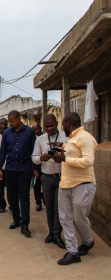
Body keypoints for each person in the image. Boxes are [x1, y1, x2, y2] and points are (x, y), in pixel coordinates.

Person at [50, 112, 97, 265]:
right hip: (66, 184)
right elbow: (73, 152)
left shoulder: (85, 138)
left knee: (79, 218)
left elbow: (88, 161)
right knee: (65, 218)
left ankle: (87, 242)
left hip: (82, 184)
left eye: (63, 125)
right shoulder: (72, 139)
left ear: (68, 124)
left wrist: (64, 158)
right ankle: (73, 252)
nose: (62, 128)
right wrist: (62, 147)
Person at [0, 110, 37, 236]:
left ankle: (25, 224)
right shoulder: (7, 133)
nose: (10, 124)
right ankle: (16, 219)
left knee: (24, 197)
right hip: (10, 169)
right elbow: (3, 151)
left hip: (24, 169)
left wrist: (34, 168)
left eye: (12, 121)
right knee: (11, 196)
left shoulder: (29, 132)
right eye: (9, 121)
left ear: (19, 119)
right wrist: (0, 168)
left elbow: (34, 151)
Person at [32, 114, 67, 249]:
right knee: (49, 208)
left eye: (52, 125)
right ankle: (51, 232)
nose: (50, 128)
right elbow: (34, 158)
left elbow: (70, 154)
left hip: (61, 177)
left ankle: (57, 235)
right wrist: (42, 157)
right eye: (46, 126)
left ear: (57, 123)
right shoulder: (40, 139)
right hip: (46, 177)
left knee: (59, 208)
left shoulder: (65, 137)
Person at [32, 122, 43, 211]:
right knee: (37, 186)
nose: (36, 131)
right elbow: (32, 155)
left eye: (38, 129)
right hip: (37, 167)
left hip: (47, 166)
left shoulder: (46, 137)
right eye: (34, 130)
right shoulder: (32, 140)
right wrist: (34, 169)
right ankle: (38, 202)